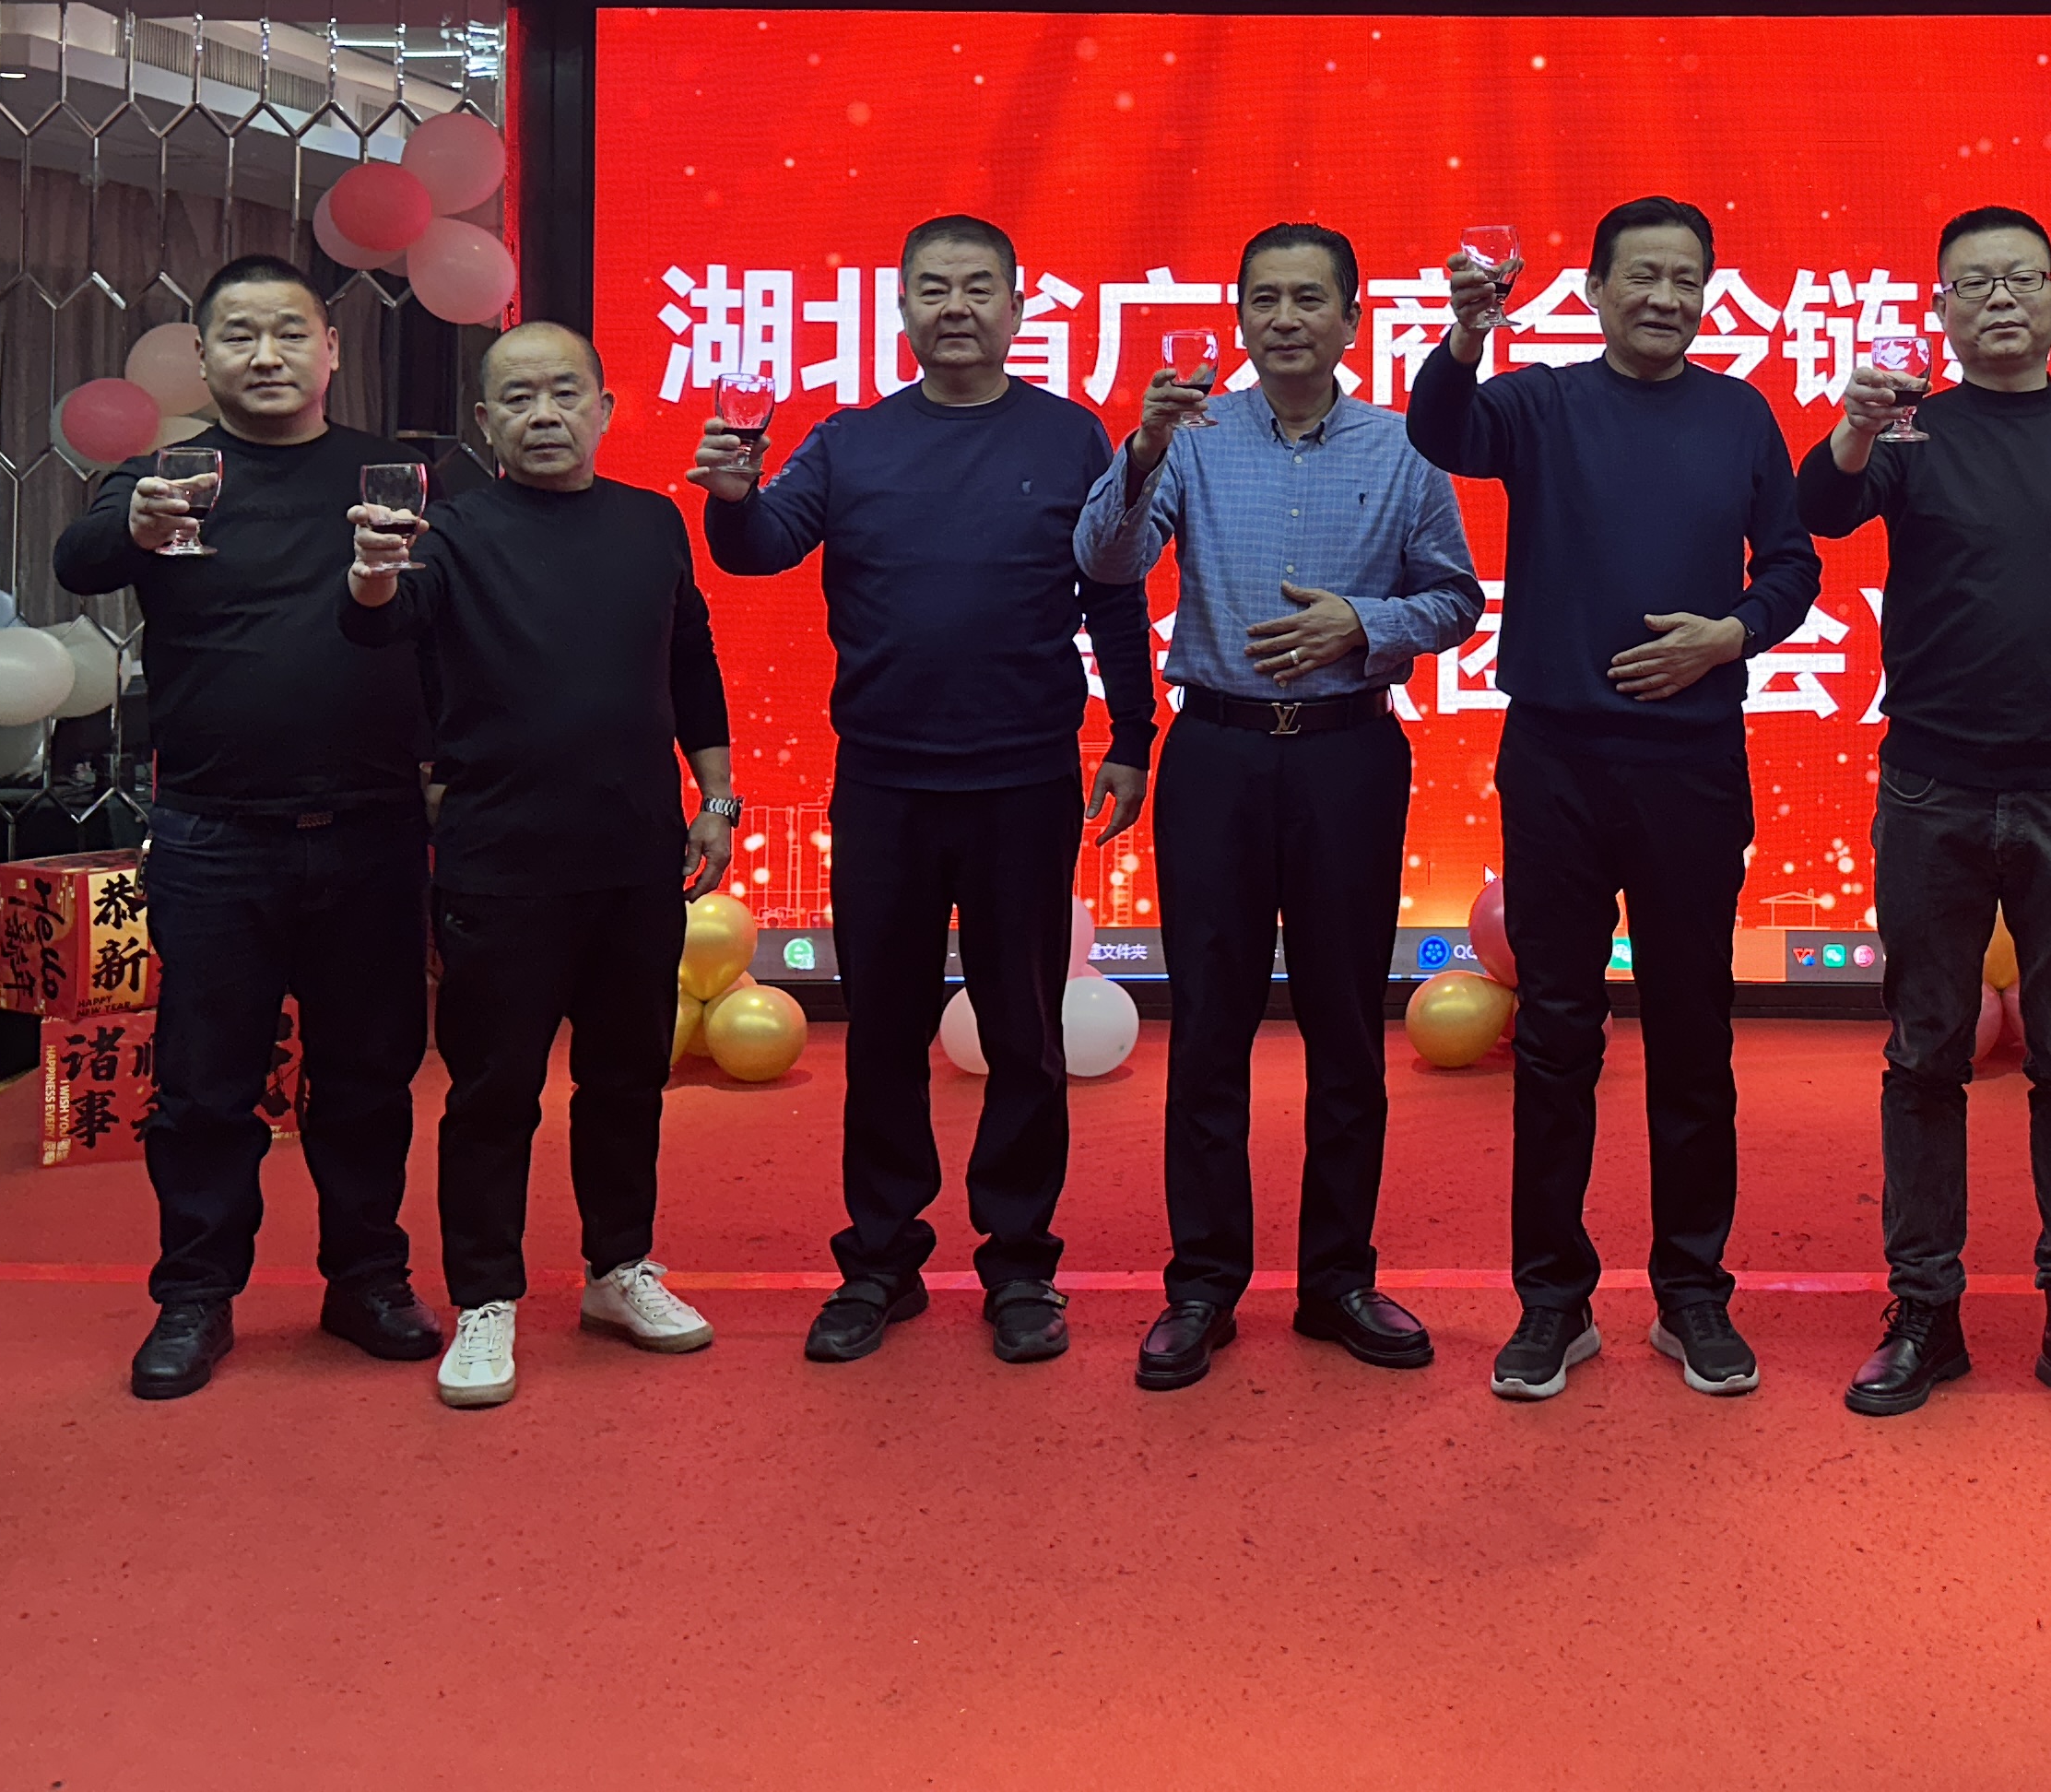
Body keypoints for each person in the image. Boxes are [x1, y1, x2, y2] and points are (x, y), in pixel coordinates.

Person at [699, 215, 1155, 1368]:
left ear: (1016, 307)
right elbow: (758, 549)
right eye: (934, 288)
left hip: (1024, 780)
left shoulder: (1069, 435)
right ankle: (881, 1262)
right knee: (885, 1034)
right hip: (886, 784)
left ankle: (1020, 1265)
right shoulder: (849, 442)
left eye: (979, 287)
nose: (957, 307)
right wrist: (733, 496)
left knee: (1024, 1034)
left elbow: (1113, 591)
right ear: (900, 309)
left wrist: (1133, 733)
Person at [1409, 196, 1820, 1404]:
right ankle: (1553, 1300)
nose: (1665, 296)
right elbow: (1443, 431)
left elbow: (1791, 567)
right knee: (1555, 1035)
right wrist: (1465, 334)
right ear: (1593, 290)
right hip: (1558, 760)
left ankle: (1693, 1294)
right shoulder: (1539, 404)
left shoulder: (1740, 414)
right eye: (1642, 274)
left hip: (1692, 762)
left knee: (1694, 1032)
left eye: (1687, 278)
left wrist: (1729, 635)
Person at [1796, 206, 2051, 1437]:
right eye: (1974, 283)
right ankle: (1926, 1310)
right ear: (1943, 309)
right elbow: (1820, 507)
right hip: (1932, 791)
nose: (2000, 298)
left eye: (2021, 278)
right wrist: (1857, 421)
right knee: (1926, 1053)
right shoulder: (1910, 432)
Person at [1075, 223, 1484, 1390]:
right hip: (1219, 754)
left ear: (1353, 318)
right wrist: (1141, 450)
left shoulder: (1405, 446)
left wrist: (1367, 623)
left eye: (1311, 299)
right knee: (1209, 1027)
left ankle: (1337, 1278)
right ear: (1241, 319)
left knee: (1347, 1026)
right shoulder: (1191, 440)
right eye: (1265, 300)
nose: (1286, 319)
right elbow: (1106, 563)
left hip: (1350, 756)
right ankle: (1203, 1284)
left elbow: (1455, 598)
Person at [53, 253, 439, 1401]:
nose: (266, 356)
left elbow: (458, 613)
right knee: (205, 1087)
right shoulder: (163, 479)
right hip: (215, 835)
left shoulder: (395, 475)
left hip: (373, 829)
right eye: (240, 336)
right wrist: (134, 522)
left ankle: (367, 1278)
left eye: (289, 333)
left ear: (331, 349)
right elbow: (77, 563)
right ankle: (194, 1297)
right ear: (203, 355)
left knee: (369, 1076)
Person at [339, 323, 737, 1409]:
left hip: (636, 853)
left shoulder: (652, 522)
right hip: (500, 861)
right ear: (485, 423)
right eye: (518, 398)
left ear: (605, 408)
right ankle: (486, 1297)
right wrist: (372, 575)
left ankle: (618, 1268)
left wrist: (717, 798)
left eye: (566, 392)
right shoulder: (451, 534)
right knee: (493, 1092)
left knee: (628, 1081)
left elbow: (691, 660)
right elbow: (383, 626)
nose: (545, 414)